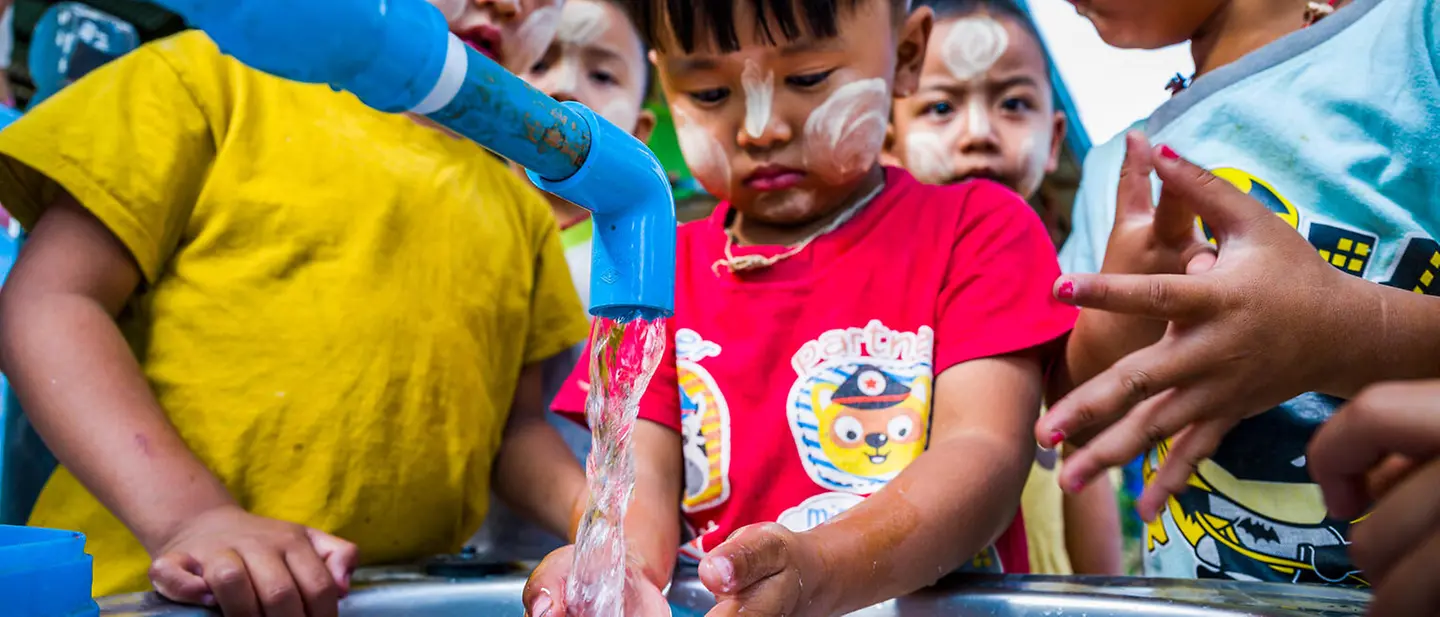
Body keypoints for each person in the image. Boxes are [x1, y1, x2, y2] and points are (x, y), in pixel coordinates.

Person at [0, 1, 593, 616]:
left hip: (395, 595)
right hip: (148, 587)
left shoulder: (523, 211)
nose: (512, 4)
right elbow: (51, 303)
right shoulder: (205, 78)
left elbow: (516, 430)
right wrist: (192, 518)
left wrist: (601, 516)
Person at [523, 0, 1081, 614]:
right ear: (665, 82)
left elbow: (983, 452)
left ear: (908, 56)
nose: (760, 129)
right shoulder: (665, 265)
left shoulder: (978, 232)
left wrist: (820, 571)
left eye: (807, 79)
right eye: (710, 92)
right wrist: (614, 567)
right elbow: (638, 481)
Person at [1038, 0, 1440, 595]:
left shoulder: (1413, 35)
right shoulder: (1118, 168)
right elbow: (1085, 428)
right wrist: (1118, 336)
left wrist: (1345, 332)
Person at [887, 0, 1121, 576]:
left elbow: (1081, 463)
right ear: (888, 137)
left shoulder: (1071, 298)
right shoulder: (874, 290)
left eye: (1014, 104)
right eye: (940, 107)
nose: (979, 134)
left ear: (1052, 138)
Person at [469, 0, 658, 562]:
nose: (565, 88)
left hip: (621, 544)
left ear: (642, 130)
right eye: (541, 62)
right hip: (491, 551)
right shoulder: (474, 221)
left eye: (602, 74)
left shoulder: (657, 252)